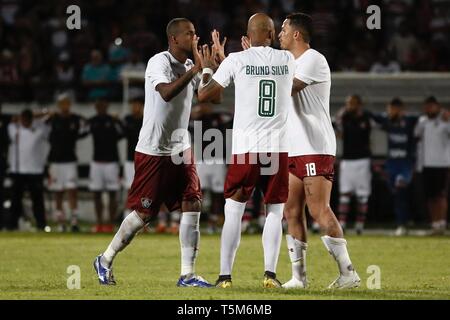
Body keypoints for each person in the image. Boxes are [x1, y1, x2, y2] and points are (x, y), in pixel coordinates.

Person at [94, 18, 212, 287]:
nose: (195, 38)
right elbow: (167, 93)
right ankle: (105, 259)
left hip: (181, 148)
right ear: (174, 38)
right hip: (154, 150)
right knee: (144, 214)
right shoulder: (158, 61)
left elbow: (209, 98)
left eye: (195, 33)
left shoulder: (189, 66)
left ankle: (187, 275)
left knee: (192, 203)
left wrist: (210, 70)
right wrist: (196, 71)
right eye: (189, 34)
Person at [198, 13, 295, 288]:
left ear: (248, 35)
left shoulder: (236, 60)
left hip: (246, 149)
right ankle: (270, 275)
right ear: (272, 34)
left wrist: (210, 67)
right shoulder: (287, 60)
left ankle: (225, 277)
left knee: (233, 210)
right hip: (277, 149)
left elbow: (206, 96)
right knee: (275, 212)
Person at [276, 12, 360, 289]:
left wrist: (254, 73)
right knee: (291, 211)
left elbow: (287, 88)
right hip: (293, 146)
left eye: (284, 30)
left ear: (297, 34)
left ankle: (348, 273)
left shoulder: (313, 59)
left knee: (318, 210)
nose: (280, 34)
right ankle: (298, 278)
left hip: (315, 145)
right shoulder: (288, 61)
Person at [371, 98, 418, 236]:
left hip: (405, 163)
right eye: (389, 109)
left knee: (400, 190)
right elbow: (371, 116)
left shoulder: (410, 120)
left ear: (401, 109)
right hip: (392, 163)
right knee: (396, 193)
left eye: (393, 109)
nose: (390, 111)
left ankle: (402, 223)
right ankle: (406, 220)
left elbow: (423, 118)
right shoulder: (387, 120)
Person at [47, 93, 88, 232]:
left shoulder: (75, 119)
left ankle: (74, 220)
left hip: (70, 160)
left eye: (67, 103)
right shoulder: (52, 119)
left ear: (69, 105)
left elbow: (86, 128)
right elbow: (40, 126)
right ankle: (60, 221)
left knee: (72, 191)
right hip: (55, 161)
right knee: (58, 191)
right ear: (59, 105)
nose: (64, 106)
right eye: (62, 103)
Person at [335, 94, 372, 235]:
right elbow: (337, 129)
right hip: (347, 160)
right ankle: (342, 223)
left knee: (362, 195)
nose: (350, 105)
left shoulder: (366, 118)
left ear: (359, 104)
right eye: (348, 103)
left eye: (353, 103)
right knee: (345, 194)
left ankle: (359, 225)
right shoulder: (344, 117)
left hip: (363, 160)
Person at [7, 109, 50, 231]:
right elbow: (12, 119)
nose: (25, 121)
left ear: (31, 119)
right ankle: (12, 225)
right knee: (15, 200)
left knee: (37, 200)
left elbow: (49, 115)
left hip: (35, 171)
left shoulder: (39, 128)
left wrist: (35, 116)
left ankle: (41, 225)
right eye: (23, 118)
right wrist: (20, 117)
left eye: (27, 118)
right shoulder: (14, 128)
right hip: (18, 170)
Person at [415, 96, 449, 235]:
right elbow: (416, 134)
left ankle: (442, 223)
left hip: (442, 164)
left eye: (432, 106)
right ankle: (434, 224)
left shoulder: (445, 121)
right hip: (426, 164)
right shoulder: (422, 121)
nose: (429, 109)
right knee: (430, 196)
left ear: (438, 107)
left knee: (440, 195)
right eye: (427, 106)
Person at [88, 99, 123, 233]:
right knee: (96, 193)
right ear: (95, 107)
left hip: (111, 162)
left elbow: (123, 133)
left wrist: (118, 120)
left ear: (107, 106)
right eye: (98, 105)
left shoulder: (113, 121)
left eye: (103, 105)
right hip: (96, 162)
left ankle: (110, 223)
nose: (101, 107)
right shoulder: (92, 121)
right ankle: (99, 223)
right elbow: (82, 131)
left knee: (112, 193)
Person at [122, 97, 144, 219]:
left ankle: (141, 217)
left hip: (144, 159)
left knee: (144, 190)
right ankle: (127, 216)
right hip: (130, 160)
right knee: (130, 189)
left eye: (137, 105)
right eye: (133, 105)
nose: (135, 107)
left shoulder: (146, 120)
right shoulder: (127, 120)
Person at [0, 104, 11, 229]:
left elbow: (21, 117)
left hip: (1, 163)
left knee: (2, 194)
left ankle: (3, 222)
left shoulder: (5, 119)